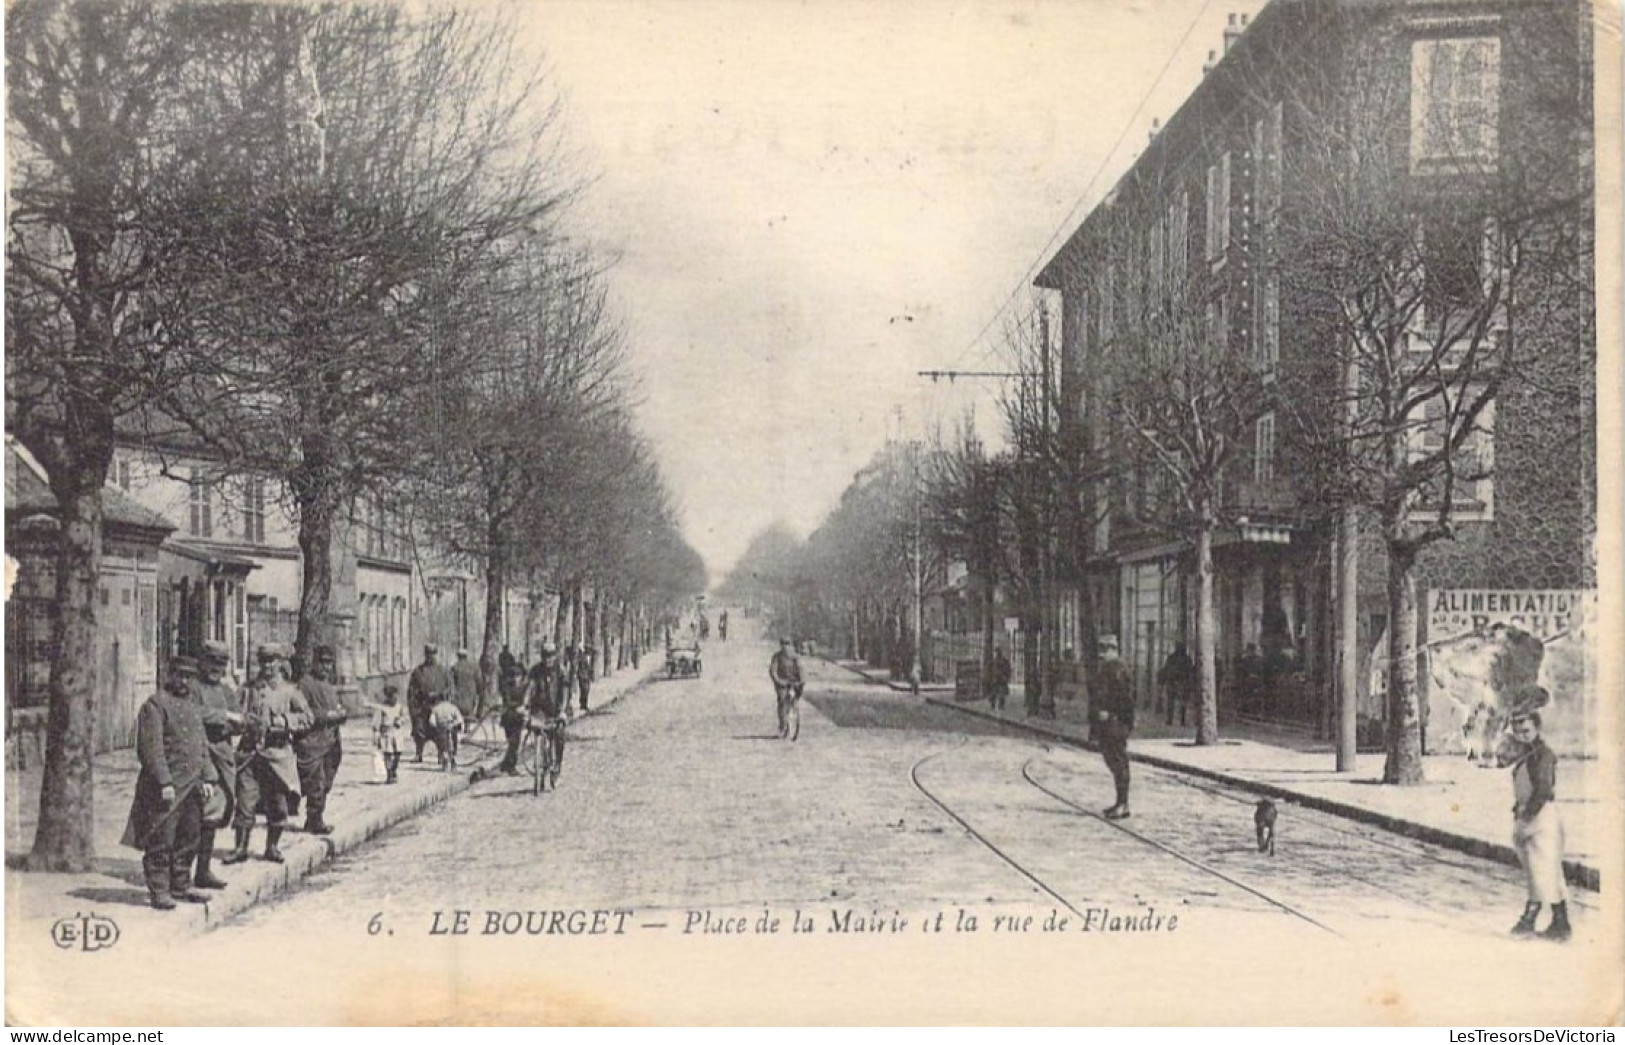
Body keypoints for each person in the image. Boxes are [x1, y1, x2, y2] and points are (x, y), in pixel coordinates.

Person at [123, 662, 219, 909]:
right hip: (165, 788)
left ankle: (181, 885)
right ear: (169, 675)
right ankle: (159, 890)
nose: (185, 682)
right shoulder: (155, 705)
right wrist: (164, 781)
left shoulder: (193, 707)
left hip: (192, 787)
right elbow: (151, 749)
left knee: (189, 838)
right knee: (161, 839)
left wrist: (208, 777)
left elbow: (202, 746)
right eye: (181, 676)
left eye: (190, 677)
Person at [224, 644, 314, 865]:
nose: (268, 666)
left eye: (272, 661)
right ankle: (240, 847)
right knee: (245, 803)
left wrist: (283, 722)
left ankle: (272, 847)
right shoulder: (248, 689)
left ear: (280, 663)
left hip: (277, 757)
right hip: (250, 755)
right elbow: (235, 713)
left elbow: (308, 718)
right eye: (264, 661)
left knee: (277, 805)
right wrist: (240, 722)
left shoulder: (289, 691)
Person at [1503, 702, 1570, 941]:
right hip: (1527, 816)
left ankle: (1543, 919)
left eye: (1526, 730)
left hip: (1542, 817)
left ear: (1537, 728)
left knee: (1544, 868)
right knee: (1536, 869)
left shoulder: (1543, 755)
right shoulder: (1528, 754)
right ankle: (1555, 920)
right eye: (1518, 732)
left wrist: (1529, 812)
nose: (1522, 735)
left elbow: (1543, 788)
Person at [189, 641, 244, 889]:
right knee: (195, 815)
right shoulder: (193, 688)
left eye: (221, 664)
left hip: (222, 753)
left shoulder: (226, 691)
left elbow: (238, 718)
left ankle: (203, 870)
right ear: (202, 662)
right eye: (212, 663)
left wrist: (236, 722)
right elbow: (192, 714)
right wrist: (223, 718)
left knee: (216, 813)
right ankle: (182, 872)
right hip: (199, 754)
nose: (216, 669)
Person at [294, 644, 348, 836]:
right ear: (315, 663)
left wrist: (342, 713)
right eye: (323, 663)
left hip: (331, 742)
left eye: (330, 663)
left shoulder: (329, 686)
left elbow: (336, 707)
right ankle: (314, 819)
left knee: (326, 782)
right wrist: (328, 715)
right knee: (316, 782)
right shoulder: (305, 684)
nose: (326, 667)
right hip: (312, 742)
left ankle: (315, 816)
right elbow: (301, 712)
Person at [1090, 634, 1135, 819]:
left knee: (1118, 762)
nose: (1102, 654)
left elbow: (1125, 700)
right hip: (1108, 723)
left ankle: (1123, 804)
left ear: (1113, 650)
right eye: (1101, 650)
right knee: (1112, 760)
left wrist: (1112, 713)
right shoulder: (1108, 668)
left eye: (1105, 650)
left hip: (1116, 723)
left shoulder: (1118, 670)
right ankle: (1119, 802)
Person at [500, 643, 563, 775]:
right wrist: (524, 704)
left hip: (557, 709)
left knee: (559, 734)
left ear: (555, 656)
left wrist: (563, 710)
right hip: (539, 709)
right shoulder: (535, 670)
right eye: (545, 656)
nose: (548, 659)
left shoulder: (560, 671)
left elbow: (566, 690)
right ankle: (539, 755)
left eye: (551, 656)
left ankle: (557, 763)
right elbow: (530, 688)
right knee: (536, 729)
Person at [407, 644, 454, 764]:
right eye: (428, 654)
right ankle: (418, 753)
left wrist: (441, 695)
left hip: (438, 706)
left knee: (440, 732)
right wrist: (413, 709)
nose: (431, 656)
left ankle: (441, 754)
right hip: (422, 706)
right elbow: (411, 691)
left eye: (433, 653)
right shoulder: (418, 672)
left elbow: (450, 688)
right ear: (425, 655)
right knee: (419, 730)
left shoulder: (443, 671)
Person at [768, 638, 804, 735]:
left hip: (794, 681)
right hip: (782, 682)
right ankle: (782, 726)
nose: (786, 647)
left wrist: (801, 681)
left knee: (796, 697)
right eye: (784, 644)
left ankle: (794, 708)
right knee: (782, 701)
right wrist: (778, 681)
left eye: (788, 644)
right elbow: (773, 671)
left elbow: (800, 670)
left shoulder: (795, 657)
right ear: (781, 646)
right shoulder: (777, 657)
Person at [373, 685, 406, 784]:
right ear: (388, 697)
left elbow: (403, 717)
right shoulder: (382, 707)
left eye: (395, 696)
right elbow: (376, 720)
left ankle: (394, 769)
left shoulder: (399, 706)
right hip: (386, 732)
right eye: (392, 696)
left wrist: (400, 721)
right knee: (388, 754)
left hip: (397, 732)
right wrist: (376, 733)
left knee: (398, 753)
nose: (394, 699)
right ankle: (389, 774)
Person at [1159, 642, 1197, 727]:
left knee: (1177, 702)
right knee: (1175, 702)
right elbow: (1167, 670)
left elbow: (1190, 672)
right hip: (1175, 682)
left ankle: (1175, 720)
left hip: (1179, 682)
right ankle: (1175, 720)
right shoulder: (1182, 659)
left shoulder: (1178, 658)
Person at [429, 697, 465, 771]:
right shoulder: (453, 707)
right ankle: (453, 762)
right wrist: (454, 724)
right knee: (452, 746)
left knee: (443, 746)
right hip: (451, 728)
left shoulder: (436, 708)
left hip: (441, 729)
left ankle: (445, 763)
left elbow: (432, 721)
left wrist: (437, 727)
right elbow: (460, 719)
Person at [987, 646, 1012, 711]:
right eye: (996, 652)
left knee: (1001, 694)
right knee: (993, 694)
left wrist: (1006, 677)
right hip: (995, 680)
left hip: (1001, 680)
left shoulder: (1004, 661)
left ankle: (1001, 706)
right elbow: (989, 671)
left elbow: (1008, 670)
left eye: (998, 652)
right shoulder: (993, 662)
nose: (997, 654)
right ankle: (993, 705)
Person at [577, 641, 596, 713]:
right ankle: (582, 704)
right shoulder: (582, 657)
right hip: (582, 675)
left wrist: (591, 675)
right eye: (587, 649)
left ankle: (585, 704)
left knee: (587, 690)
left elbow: (590, 668)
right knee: (583, 689)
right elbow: (579, 666)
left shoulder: (590, 658)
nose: (589, 651)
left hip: (587, 676)